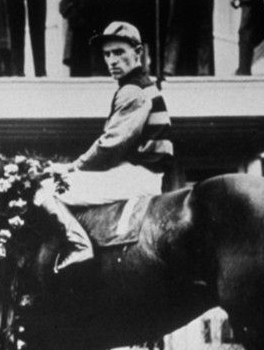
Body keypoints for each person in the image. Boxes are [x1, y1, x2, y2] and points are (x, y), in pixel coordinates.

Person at [41, 21, 173, 270]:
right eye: (107, 54)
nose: (112, 60)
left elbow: (111, 145)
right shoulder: (141, 86)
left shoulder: (133, 91)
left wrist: (72, 167)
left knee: (45, 191)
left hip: (137, 177)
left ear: (138, 52)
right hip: (142, 173)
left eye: (119, 52)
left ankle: (79, 246)